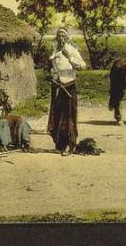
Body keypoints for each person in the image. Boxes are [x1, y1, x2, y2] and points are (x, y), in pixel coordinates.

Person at [47, 27, 86, 156]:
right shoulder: (55, 51)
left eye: (63, 36)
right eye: (59, 36)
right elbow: (53, 69)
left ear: (67, 38)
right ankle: (60, 144)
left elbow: (83, 66)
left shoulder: (71, 50)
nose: (61, 38)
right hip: (57, 86)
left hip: (69, 86)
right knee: (58, 116)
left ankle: (71, 145)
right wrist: (53, 75)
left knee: (69, 116)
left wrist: (70, 58)